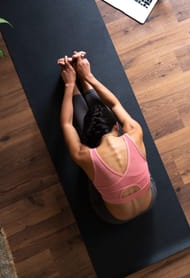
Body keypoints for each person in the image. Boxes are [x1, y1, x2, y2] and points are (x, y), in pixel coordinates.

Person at [57, 50, 157, 224]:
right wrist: (89, 76)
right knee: (102, 112)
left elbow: (67, 123)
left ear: (88, 137)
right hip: (150, 200)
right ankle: (82, 79)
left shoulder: (84, 155)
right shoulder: (134, 132)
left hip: (112, 217)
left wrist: (69, 84)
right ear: (116, 126)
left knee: (80, 127)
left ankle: (78, 81)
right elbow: (114, 104)